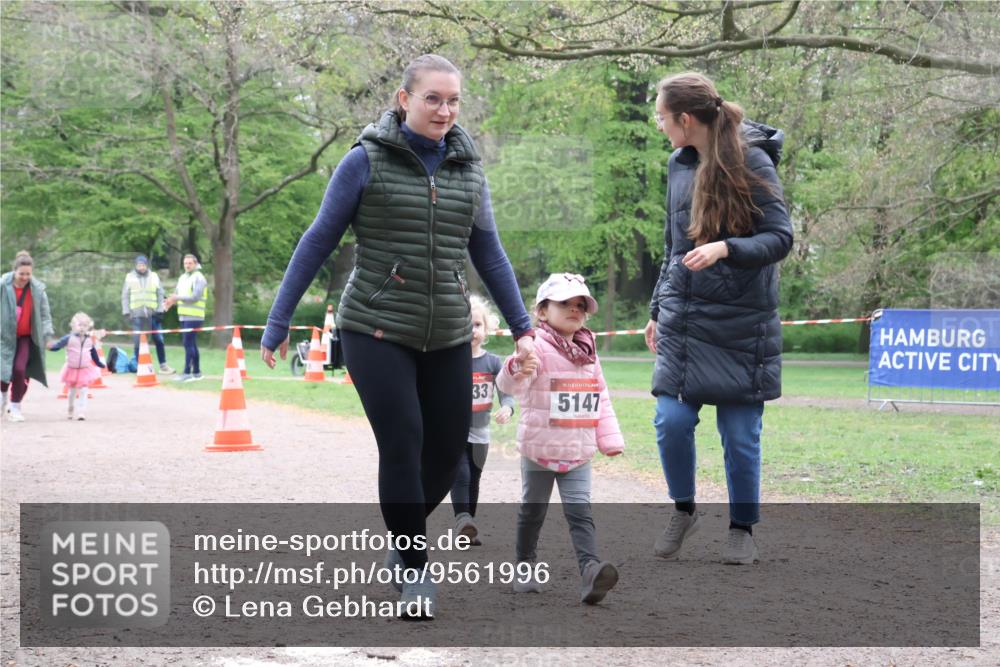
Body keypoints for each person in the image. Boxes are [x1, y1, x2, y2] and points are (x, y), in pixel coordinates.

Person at [260, 54, 537, 619]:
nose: (444, 109)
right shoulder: (364, 161)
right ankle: (415, 572)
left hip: (448, 330)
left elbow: (489, 251)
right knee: (403, 441)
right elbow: (317, 240)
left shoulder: (468, 169)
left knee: (445, 452)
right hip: (375, 325)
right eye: (432, 98)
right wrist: (279, 319)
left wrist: (524, 327)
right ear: (403, 99)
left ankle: (401, 531)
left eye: (453, 100)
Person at [644, 72, 793, 565]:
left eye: (663, 117)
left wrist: (727, 248)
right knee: (670, 420)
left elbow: (780, 239)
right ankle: (683, 509)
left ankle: (741, 526)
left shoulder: (753, 161)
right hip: (685, 320)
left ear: (686, 119)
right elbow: (672, 246)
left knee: (740, 435)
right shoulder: (678, 164)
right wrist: (656, 310)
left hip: (742, 324)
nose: (660, 124)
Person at [496, 273, 624, 605]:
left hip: (579, 450)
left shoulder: (589, 351)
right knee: (532, 511)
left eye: (580, 305)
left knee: (580, 512)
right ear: (542, 311)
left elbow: (601, 398)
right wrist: (516, 367)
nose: (574, 309)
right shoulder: (533, 345)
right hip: (539, 450)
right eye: (564, 303)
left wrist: (609, 439)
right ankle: (525, 565)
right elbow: (509, 387)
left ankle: (591, 572)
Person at [450, 295, 515, 546]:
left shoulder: (493, 362)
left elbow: (506, 394)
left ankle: (469, 527)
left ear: (487, 329)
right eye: (466, 324)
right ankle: (462, 520)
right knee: (461, 475)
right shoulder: (450, 362)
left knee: (475, 479)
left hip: (481, 433)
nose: (472, 330)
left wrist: (508, 409)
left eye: (477, 325)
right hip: (454, 431)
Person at [1, 251, 54, 422]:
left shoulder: (37, 290)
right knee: (3, 372)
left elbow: (45, 315)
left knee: (20, 369)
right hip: (3, 336)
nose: (24, 277)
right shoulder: (3, 286)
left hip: (26, 337)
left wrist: (47, 336)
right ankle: (3, 397)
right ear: (14, 271)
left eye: (28, 274)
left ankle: (16, 406)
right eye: (21, 273)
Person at [121, 255, 174, 374]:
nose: (141, 267)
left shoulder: (154, 276)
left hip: (153, 314)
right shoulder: (129, 277)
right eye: (139, 265)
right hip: (136, 315)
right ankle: (140, 366)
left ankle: (163, 366)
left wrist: (160, 310)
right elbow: (125, 296)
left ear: (147, 265)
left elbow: (160, 293)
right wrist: (126, 312)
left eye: (143, 265)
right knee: (137, 341)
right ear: (136, 265)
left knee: (159, 339)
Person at [48, 312, 105, 421]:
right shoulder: (68, 338)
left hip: (85, 370)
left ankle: (81, 411)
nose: (82, 328)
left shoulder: (89, 340)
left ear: (88, 327)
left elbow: (93, 354)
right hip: (71, 369)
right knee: (72, 392)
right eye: (80, 325)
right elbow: (57, 346)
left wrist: (99, 364)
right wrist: (50, 347)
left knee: (84, 391)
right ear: (74, 326)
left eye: (85, 325)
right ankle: (70, 408)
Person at [164, 253, 208, 382]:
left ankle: (187, 373)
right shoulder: (183, 277)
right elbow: (177, 294)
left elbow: (195, 297)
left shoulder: (199, 278)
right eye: (185, 263)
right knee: (191, 344)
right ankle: (197, 372)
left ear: (195, 264)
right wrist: (169, 302)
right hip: (184, 316)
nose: (187, 265)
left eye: (190, 263)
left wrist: (176, 298)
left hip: (195, 316)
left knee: (188, 343)